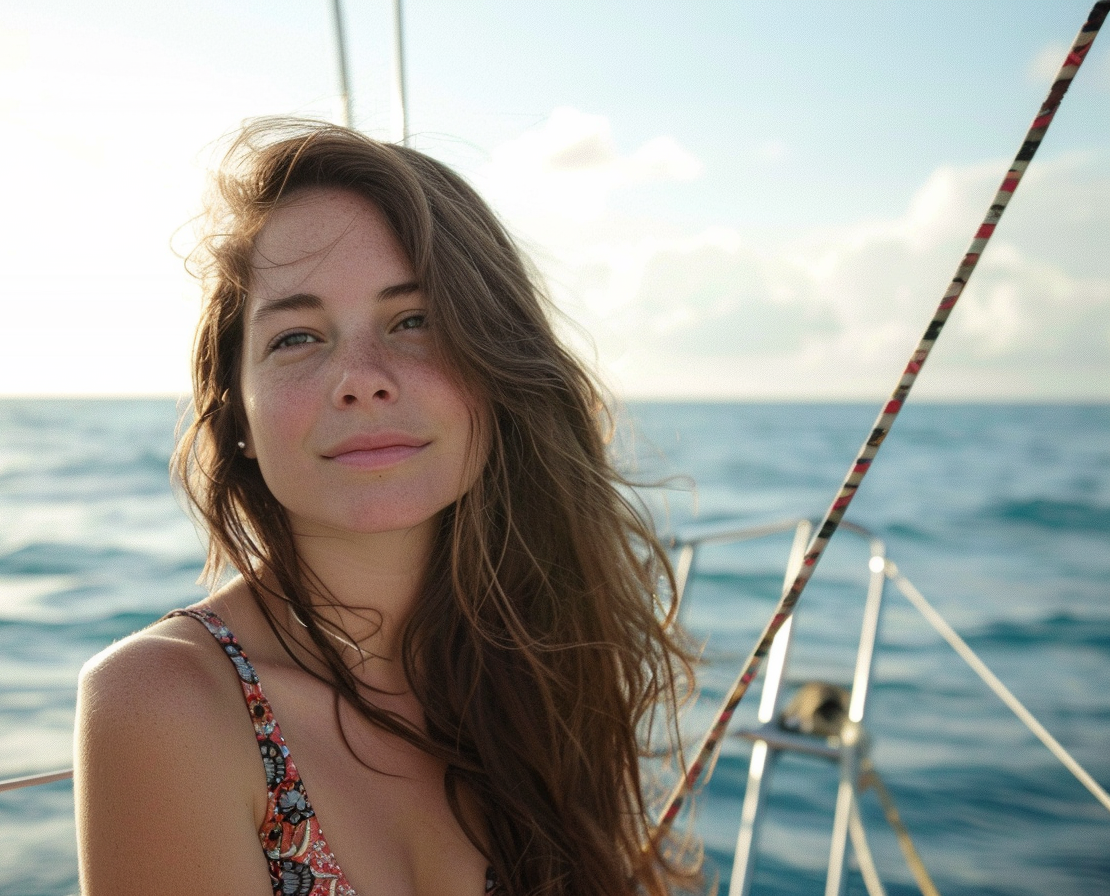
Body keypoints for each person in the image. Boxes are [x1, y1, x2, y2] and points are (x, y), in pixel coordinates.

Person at [73, 119, 698, 896]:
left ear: (498, 368)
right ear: (239, 417)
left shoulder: (540, 662)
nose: (361, 379)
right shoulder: (167, 701)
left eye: (413, 321)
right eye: (297, 338)